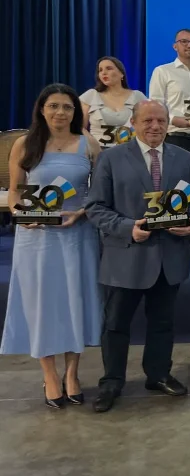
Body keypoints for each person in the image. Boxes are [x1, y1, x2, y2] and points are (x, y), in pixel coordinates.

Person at [86, 99, 190, 413]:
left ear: (169, 123)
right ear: (133, 123)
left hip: (170, 257)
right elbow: (95, 207)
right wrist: (127, 228)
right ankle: (111, 382)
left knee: (163, 323)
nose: (155, 127)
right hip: (126, 255)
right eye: (148, 120)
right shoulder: (111, 158)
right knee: (116, 324)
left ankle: (158, 374)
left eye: (161, 121)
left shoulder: (185, 159)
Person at [1, 84, 102, 409]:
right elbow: (15, 193)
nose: (60, 112)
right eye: (54, 106)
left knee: (76, 302)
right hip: (37, 240)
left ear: (76, 112)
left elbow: (98, 193)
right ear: (42, 109)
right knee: (41, 305)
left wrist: (83, 212)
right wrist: (20, 214)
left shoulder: (88, 143)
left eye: (67, 107)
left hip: (77, 236)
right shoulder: (23, 145)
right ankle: (49, 374)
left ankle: (72, 373)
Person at [148, 28, 190, 153]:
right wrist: (173, 119)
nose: (189, 45)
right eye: (184, 41)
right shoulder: (162, 71)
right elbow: (155, 106)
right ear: (175, 46)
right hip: (175, 138)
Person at [80, 56, 147, 148]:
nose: (104, 73)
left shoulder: (137, 96)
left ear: (121, 74)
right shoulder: (91, 95)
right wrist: (93, 146)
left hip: (130, 150)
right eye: (100, 70)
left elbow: (147, 123)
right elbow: (80, 127)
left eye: (109, 68)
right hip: (98, 151)